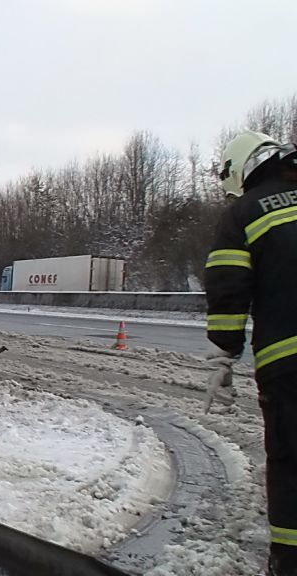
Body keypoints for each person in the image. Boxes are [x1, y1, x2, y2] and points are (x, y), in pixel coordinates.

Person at [204, 130, 297, 575]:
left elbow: (228, 285)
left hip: (289, 360)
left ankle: (288, 560)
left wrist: (225, 353)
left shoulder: (245, 212)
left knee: (290, 461)